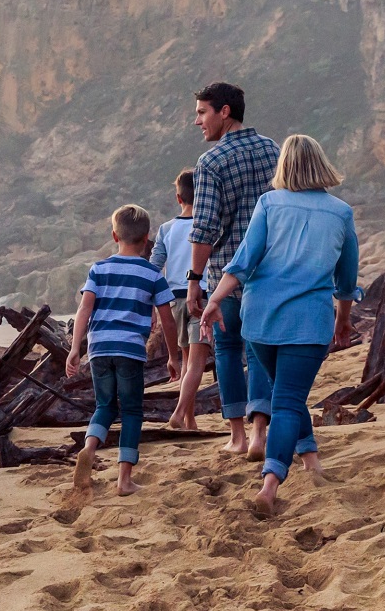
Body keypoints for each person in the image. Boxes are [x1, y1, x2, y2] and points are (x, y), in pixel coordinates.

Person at [198, 134, 360, 518]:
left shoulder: (269, 204)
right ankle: (269, 485)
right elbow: (347, 279)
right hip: (308, 322)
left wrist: (215, 299)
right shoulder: (341, 213)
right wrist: (343, 321)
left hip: (261, 320)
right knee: (287, 399)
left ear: (284, 166)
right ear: (321, 164)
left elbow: (242, 261)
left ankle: (311, 459)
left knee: (287, 396)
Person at [186, 82, 280, 458]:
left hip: (225, 275)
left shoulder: (211, 162)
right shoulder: (273, 149)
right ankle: (260, 435)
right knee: (259, 351)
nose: (197, 122)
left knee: (225, 349)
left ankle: (237, 437)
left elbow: (205, 227)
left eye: (202, 112)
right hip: (268, 274)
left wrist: (193, 281)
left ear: (225, 111)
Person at [67, 205, 182, 497]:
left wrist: (74, 349)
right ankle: (124, 480)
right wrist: (173, 355)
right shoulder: (152, 273)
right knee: (131, 411)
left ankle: (90, 448)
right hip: (130, 349)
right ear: (147, 239)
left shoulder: (99, 269)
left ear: (114, 235)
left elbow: (85, 308)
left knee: (105, 406)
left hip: (100, 348)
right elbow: (167, 318)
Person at [150, 169, 210, 430]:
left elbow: (154, 266)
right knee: (196, 364)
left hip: (174, 302)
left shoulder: (166, 229)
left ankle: (190, 419)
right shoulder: (207, 225)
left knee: (186, 362)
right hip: (201, 299)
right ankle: (177, 414)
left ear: (178, 198)